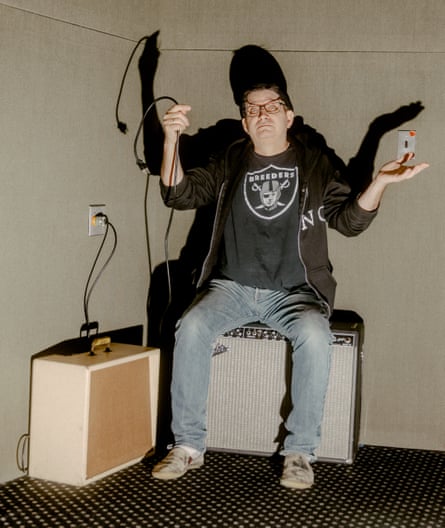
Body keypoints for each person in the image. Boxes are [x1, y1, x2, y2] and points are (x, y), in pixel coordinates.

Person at [151, 83, 428, 489]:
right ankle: (188, 446)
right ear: (245, 123)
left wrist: (381, 182)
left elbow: (348, 222)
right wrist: (171, 139)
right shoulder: (230, 158)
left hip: (295, 291)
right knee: (190, 327)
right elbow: (178, 193)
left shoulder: (314, 163)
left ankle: (300, 452)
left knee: (316, 336)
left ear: (289, 118)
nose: (263, 114)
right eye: (253, 109)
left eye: (273, 106)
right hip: (232, 287)